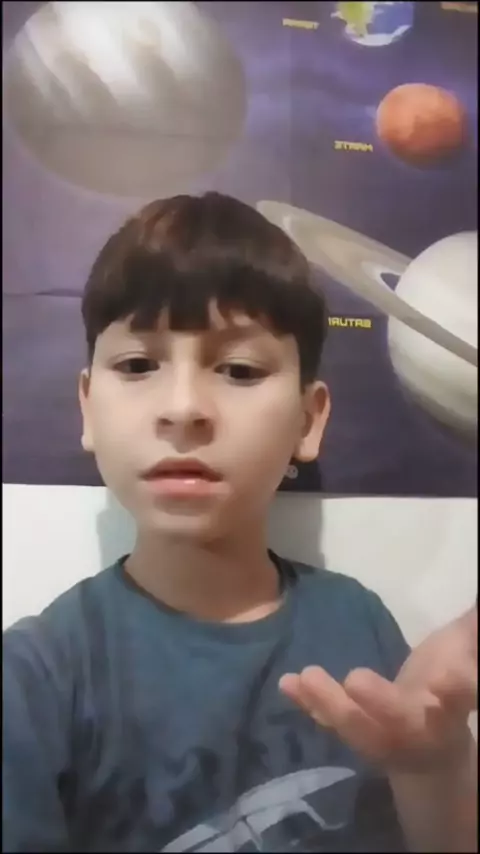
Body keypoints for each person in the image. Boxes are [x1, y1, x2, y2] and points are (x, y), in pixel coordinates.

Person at [3, 192, 477, 853]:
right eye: (138, 365)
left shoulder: (359, 621)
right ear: (87, 407)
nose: (183, 409)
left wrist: (435, 769)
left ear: (308, 420)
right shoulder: (35, 678)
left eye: (239, 369)